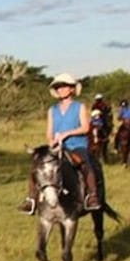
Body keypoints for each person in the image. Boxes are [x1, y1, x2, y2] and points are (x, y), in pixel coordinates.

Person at [18, 73, 99, 214]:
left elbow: (85, 128)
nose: (61, 89)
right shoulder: (52, 110)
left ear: (72, 89)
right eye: (58, 87)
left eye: (64, 86)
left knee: (85, 164)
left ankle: (92, 196)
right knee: (37, 166)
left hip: (77, 145)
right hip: (57, 146)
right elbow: (49, 132)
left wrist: (67, 133)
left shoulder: (79, 107)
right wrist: (52, 143)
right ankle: (31, 200)